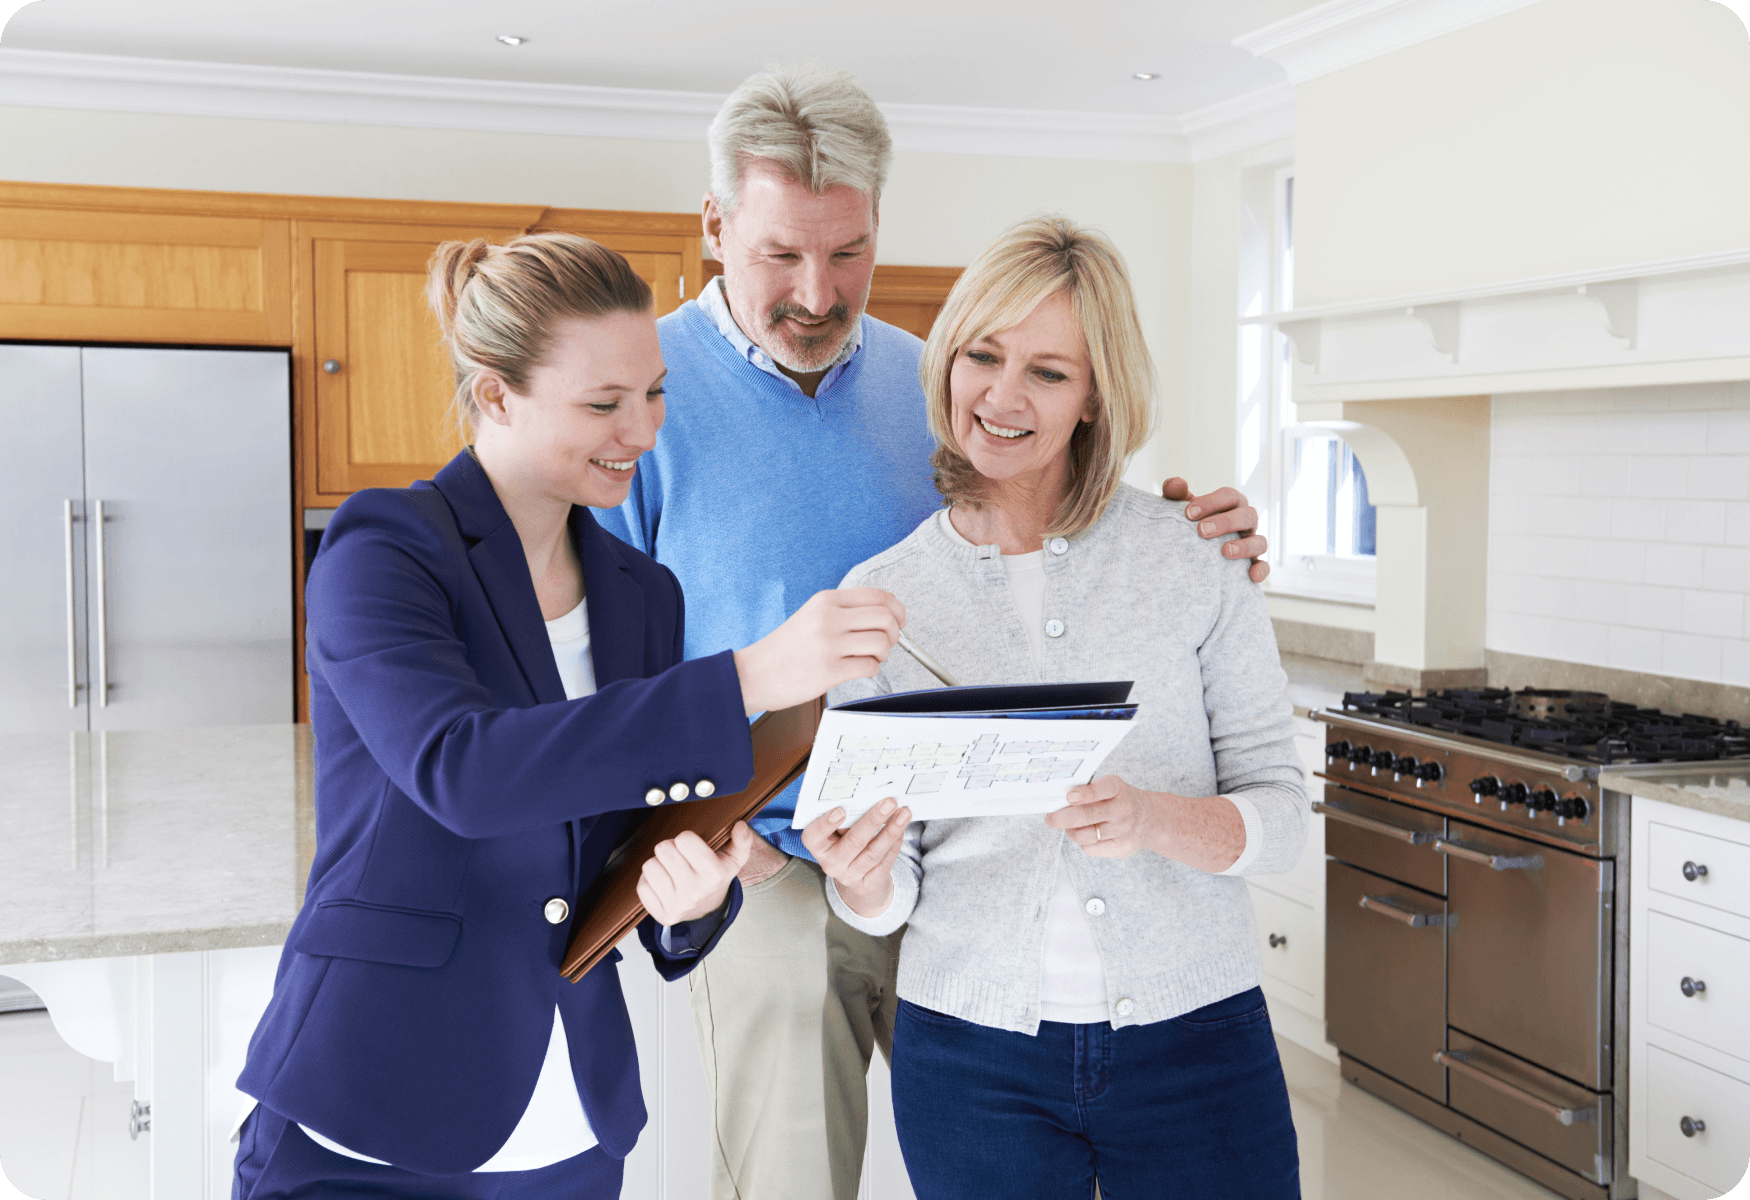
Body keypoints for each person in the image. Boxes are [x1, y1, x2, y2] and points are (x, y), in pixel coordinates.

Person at [595, 65, 1276, 1200]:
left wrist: (1204, 532)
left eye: (847, 252)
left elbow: (1050, 536)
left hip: (968, 865)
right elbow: (598, 686)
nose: (817, 291)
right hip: (766, 867)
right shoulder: (643, 408)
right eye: (778, 255)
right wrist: (715, 847)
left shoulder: (937, 384)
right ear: (715, 227)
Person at [230, 231, 907, 1198]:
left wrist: (691, 900)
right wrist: (750, 676)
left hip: (569, 1121)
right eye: (604, 403)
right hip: (371, 1102)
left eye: (655, 393)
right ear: (495, 393)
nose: (643, 430)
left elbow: (621, 837)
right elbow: (464, 771)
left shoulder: (642, 592)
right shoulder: (387, 547)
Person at [804, 215, 1305, 1199]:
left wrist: (1153, 818)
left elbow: (1283, 819)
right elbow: (890, 885)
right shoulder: (882, 600)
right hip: (970, 1059)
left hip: (1198, 1039)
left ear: (1095, 397)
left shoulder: (1194, 557)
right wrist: (856, 881)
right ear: (946, 360)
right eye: (981, 355)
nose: (999, 395)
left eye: (1047, 371)